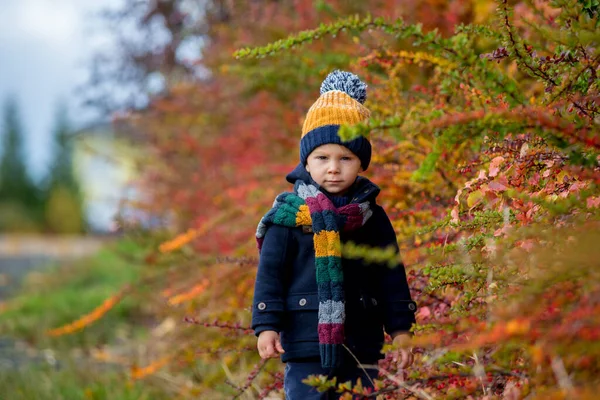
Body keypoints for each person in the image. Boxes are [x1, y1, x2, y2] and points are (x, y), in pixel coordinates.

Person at [252, 70, 417, 399]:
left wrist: (400, 329)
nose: (333, 167)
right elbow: (270, 274)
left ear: (361, 162)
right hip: (304, 341)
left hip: (361, 342)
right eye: (322, 157)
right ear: (306, 162)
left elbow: (391, 275)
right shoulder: (288, 218)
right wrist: (266, 325)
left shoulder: (372, 218)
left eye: (346, 158)